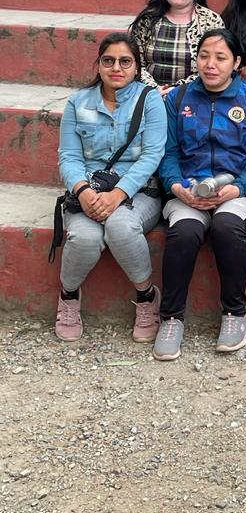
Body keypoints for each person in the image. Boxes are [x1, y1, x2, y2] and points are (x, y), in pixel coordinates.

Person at [153, 29, 246, 361]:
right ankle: (171, 318)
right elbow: (168, 153)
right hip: (187, 189)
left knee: (225, 226)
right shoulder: (178, 98)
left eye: (220, 57)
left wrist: (237, 188)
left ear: (236, 62)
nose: (210, 64)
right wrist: (177, 187)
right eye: (204, 56)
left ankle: (235, 315)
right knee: (185, 232)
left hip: (237, 191)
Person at [55, 32, 166, 342]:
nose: (116, 67)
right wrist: (83, 192)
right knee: (84, 237)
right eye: (108, 60)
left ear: (137, 67)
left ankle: (146, 296)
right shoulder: (78, 102)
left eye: (125, 61)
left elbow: (153, 154)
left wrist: (118, 194)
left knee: (120, 226)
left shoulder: (150, 100)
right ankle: (68, 296)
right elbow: (69, 157)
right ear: (99, 64)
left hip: (139, 191)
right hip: (88, 191)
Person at [130, 0, 224, 95]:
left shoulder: (211, 21)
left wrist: (176, 90)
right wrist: (154, 89)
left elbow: (214, 65)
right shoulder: (148, 19)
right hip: (148, 94)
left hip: (195, 94)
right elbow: (134, 61)